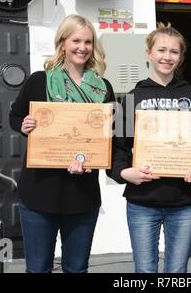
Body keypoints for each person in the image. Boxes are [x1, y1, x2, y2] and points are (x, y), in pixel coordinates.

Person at [9, 14, 115, 273]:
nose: (82, 47)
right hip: (39, 193)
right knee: (37, 269)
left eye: (88, 42)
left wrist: (102, 148)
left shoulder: (103, 88)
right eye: (76, 40)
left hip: (82, 195)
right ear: (63, 43)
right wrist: (24, 125)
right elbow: (15, 116)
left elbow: (110, 135)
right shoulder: (39, 80)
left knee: (77, 269)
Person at [107, 23, 191, 273]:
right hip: (142, 201)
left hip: (184, 200)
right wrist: (123, 173)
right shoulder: (131, 97)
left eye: (174, 52)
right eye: (161, 50)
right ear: (149, 53)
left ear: (181, 57)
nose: (167, 57)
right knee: (145, 271)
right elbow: (117, 148)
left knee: (177, 272)